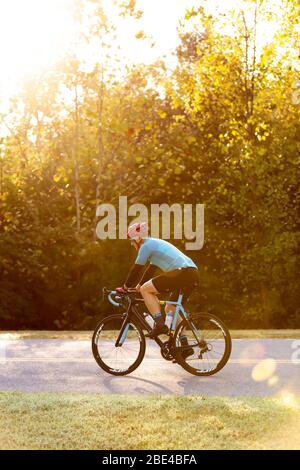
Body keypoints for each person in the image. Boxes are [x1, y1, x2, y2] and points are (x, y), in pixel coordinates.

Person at [120, 222, 199, 339]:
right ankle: (184, 344)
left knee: (145, 290)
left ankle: (159, 324)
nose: (132, 244)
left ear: (138, 238)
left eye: (132, 240)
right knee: (170, 308)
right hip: (192, 273)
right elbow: (150, 270)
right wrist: (137, 286)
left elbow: (136, 269)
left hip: (181, 272)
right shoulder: (154, 243)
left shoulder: (146, 246)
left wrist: (125, 287)